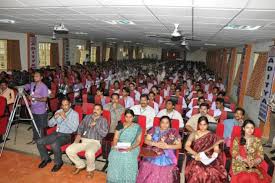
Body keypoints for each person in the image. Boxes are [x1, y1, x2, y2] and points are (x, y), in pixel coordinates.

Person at [66, 104, 109, 178]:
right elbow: (80, 127)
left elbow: (104, 134)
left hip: (95, 142)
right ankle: (80, 165)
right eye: (94, 109)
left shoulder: (103, 120)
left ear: (101, 111)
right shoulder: (87, 117)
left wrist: (96, 126)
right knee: (69, 150)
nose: (95, 111)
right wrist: (77, 138)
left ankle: (90, 170)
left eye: (98, 109)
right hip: (83, 140)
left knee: (89, 153)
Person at [36, 97, 79, 172]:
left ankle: (58, 162)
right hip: (56, 133)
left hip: (67, 135)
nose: (64, 107)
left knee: (54, 144)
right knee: (39, 141)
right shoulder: (59, 111)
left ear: (70, 104)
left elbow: (74, 129)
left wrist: (65, 118)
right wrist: (54, 118)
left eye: (66, 105)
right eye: (63, 105)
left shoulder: (75, 114)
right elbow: (50, 124)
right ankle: (46, 158)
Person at [136, 116, 182, 183]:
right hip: (152, 152)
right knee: (147, 164)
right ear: (159, 123)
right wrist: (155, 144)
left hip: (167, 153)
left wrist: (167, 146)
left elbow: (179, 146)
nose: (164, 124)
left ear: (169, 124)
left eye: (167, 123)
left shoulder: (173, 131)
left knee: (163, 169)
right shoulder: (154, 129)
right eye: (162, 122)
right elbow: (146, 140)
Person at [185, 116, 227, 182]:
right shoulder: (194, 134)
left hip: (209, 157)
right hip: (196, 157)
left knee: (213, 171)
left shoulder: (212, 135)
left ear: (207, 125)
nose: (202, 127)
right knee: (197, 170)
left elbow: (216, 149)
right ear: (198, 125)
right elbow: (186, 146)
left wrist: (215, 153)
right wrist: (196, 154)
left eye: (204, 125)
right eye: (200, 124)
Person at [107, 109, 142, 183]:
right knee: (115, 155)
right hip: (120, 144)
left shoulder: (138, 127)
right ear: (124, 117)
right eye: (127, 117)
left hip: (132, 146)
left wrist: (131, 148)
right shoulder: (120, 125)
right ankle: (115, 179)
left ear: (133, 117)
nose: (128, 119)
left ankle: (127, 180)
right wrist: (115, 145)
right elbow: (116, 138)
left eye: (130, 117)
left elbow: (138, 141)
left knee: (128, 156)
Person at [24, 70, 49, 144]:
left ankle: (42, 142)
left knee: (41, 127)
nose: (35, 77)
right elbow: (25, 88)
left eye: (37, 76)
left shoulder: (44, 86)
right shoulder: (32, 84)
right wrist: (22, 87)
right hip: (33, 109)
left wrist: (34, 98)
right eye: (34, 76)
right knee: (34, 126)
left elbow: (45, 99)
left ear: (41, 77)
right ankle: (34, 139)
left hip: (41, 110)